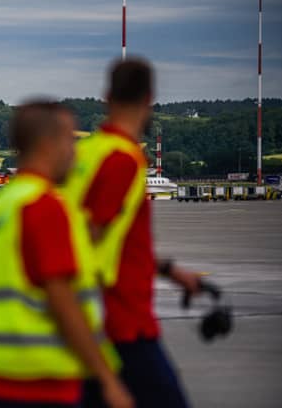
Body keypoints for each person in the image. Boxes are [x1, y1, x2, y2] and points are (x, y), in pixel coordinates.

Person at [0, 101, 133, 408]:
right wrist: (107, 379)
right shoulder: (44, 206)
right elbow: (63, 302)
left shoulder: (2, 206)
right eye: (69, 142)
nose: (75, 153)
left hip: (3, 380)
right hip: (44, 383)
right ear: (48, 144)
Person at [61, 58, 200, 408]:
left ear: (106, 98)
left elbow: (113, 239)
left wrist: (169, 270)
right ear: (149, 99)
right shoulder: (123, 159)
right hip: (120, 318)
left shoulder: (84, 153)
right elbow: (89, 236)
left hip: (87, 314)